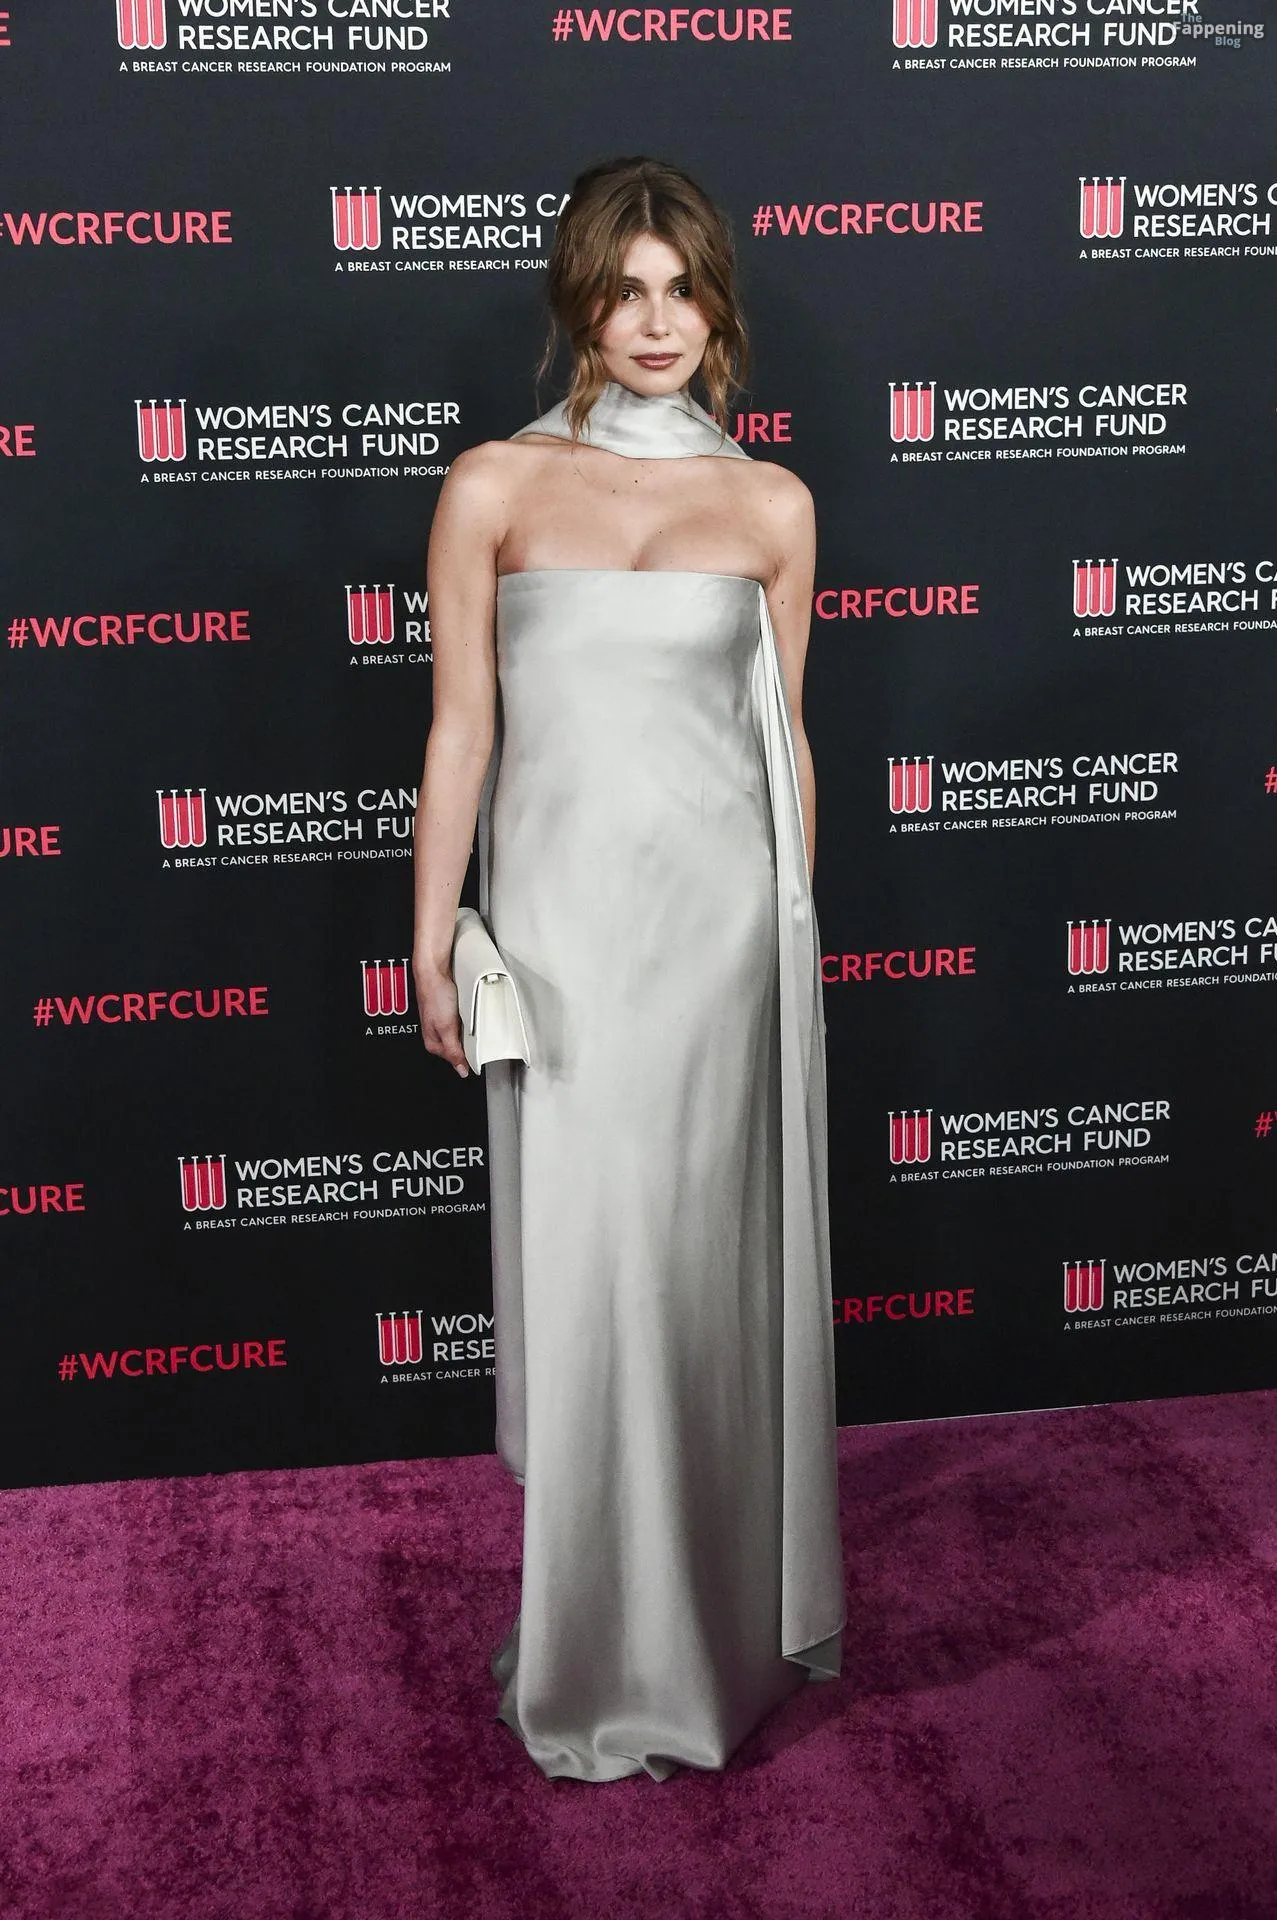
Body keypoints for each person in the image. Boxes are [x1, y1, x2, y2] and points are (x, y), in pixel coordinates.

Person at [411, 156, 844, 1783]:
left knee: (703, 1277)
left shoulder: (774, 505)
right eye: (626, 289)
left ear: (715, 307)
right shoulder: (494, 487)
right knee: (601, 1278)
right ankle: (599, 1641)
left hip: (724, 941)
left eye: (684, 289)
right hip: (567, 946)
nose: (657, 322)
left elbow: (784, 741)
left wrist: (792, 940)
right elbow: (461, 731)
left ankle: (711, 1635)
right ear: (578, 302)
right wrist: (433, 937)